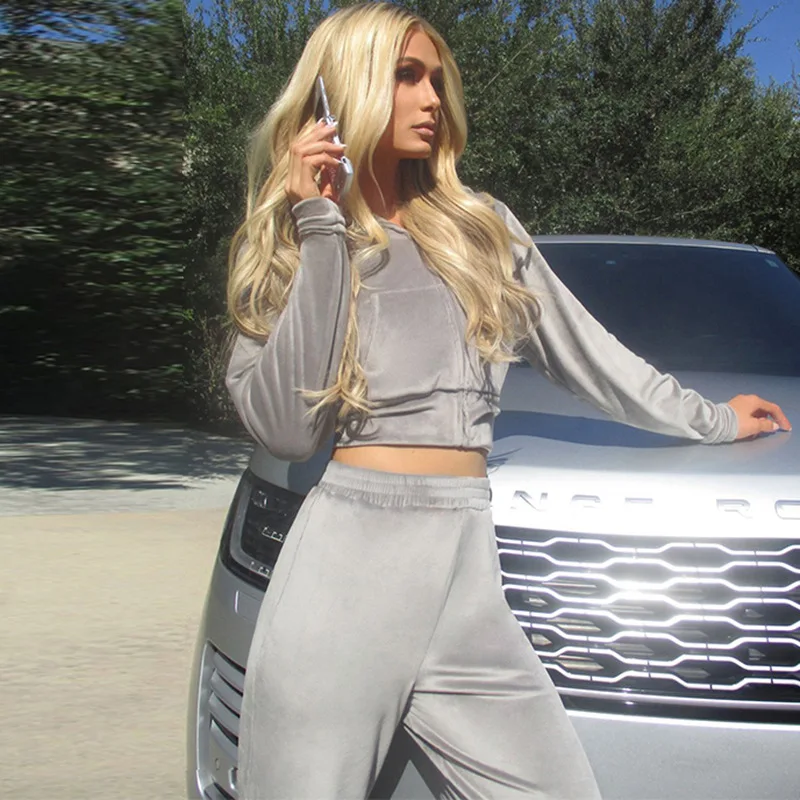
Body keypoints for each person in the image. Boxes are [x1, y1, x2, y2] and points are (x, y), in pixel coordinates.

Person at [224, 4, 792, 798]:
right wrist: (321, 225)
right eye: (407, 76)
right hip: (344, 572)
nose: (433, 98)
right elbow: (288, 429)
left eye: (437, 79)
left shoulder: (482, 229)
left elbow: (592, 357)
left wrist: (714, 418)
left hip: (468, 575)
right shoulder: (294, 242)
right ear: (343, 89)